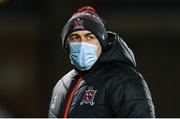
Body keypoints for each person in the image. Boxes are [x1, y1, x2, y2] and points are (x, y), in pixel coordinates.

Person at [48, 6, 155, 118]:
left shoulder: (123, 79)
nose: (82, 43)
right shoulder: (61, 86)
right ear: (67, 44)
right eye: (75, 37)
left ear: (102, 42)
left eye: (90, 37)